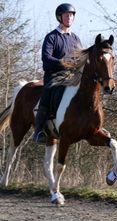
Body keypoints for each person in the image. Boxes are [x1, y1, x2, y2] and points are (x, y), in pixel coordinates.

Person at [33, 3, 82, 144]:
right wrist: (64, 63)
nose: (70, 18)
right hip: (54, 75)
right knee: (48, 94)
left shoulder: (76, 39)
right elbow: (46, 58)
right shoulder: (52, 37)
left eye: (71, 15)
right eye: (67, 15)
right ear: (59, 17)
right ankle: (39, 131)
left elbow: (80, 58)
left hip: (72, 76)